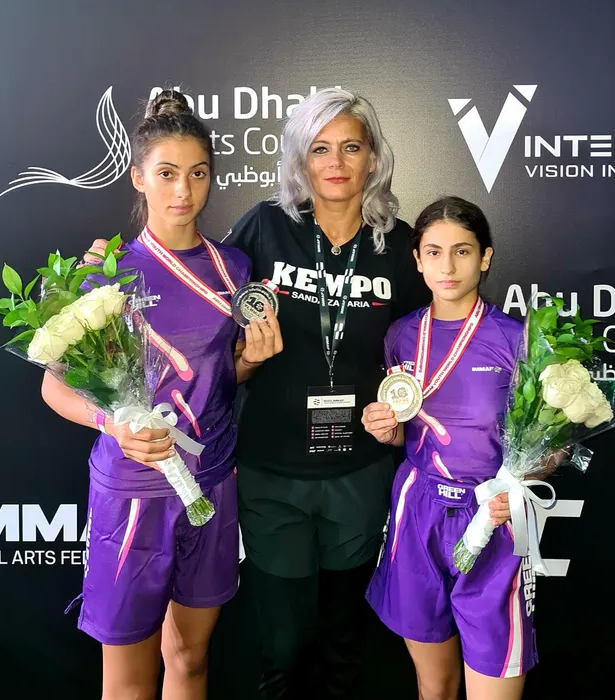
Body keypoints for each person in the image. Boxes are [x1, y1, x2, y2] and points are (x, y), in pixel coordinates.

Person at [86, 86, 430, 699]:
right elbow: (200, 306)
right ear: (300, 159)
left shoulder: (400, 248)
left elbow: (423, 351)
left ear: (373, 158)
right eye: (319, 148)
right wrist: (107, 272)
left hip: (358, 469)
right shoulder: (264, 230)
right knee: (284, 645)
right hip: (273, 471)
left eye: (351, 147)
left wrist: (403, 416)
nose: (336, 162)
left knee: (344, 640)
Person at [43, 89, 282, 700]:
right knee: (128, 681)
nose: (184, 191)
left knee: (191, 660)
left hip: (212, 482)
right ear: (138, 177)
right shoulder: (105, 275)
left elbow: (223, 376)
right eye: (168, 173)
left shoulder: (233, 269)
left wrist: (249, 361)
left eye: (198, 174)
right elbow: (54, 386)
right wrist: (112, 424)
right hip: (134, 489)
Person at [362, 196, 535, 700]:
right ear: (417, 260)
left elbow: (548, 445)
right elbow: (406, 432)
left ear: (485, 257)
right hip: (418, 514)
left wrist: (521, 483)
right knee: (433, 687)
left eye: (462, 251)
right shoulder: (400, 335)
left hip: (493, 517)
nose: (448, 266)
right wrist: (386, 430)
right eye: (434, 252)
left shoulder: (516, 339)